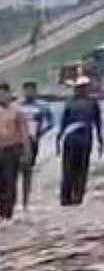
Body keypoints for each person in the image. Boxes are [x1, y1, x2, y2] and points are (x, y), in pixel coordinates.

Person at [0, 82, 30, 220]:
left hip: (14, 148)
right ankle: (1, 210)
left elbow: (24, 133)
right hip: (0, 149)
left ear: (9, 94)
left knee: (10, 180)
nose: (1, 97)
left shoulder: (17, 111)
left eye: (4, 94)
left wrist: (26, 152)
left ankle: (9, 211)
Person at [56, 76, 103, 207]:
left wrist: (100, 140)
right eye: (79, 87)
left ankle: (78, 196)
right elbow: (63, 122)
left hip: (85, 139)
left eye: (84, 87)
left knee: (82, 168)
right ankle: (65, 197)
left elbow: (98, 123)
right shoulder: (70, 102)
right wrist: (58, 139)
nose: (82, 89)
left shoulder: (92, 103)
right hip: (70, 139)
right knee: (67, 168)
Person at [20, 81, 54, 211]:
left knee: (28, 169)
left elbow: (50, 123)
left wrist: (41, 132)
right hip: (19, 141)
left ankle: (25, 199)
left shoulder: (42, 106)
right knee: (19, 169)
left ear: (35, 91)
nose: (28, 93)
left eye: (31, 90)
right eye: (26, 90)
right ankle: (22, 198)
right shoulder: (19, 106)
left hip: (33, 141)